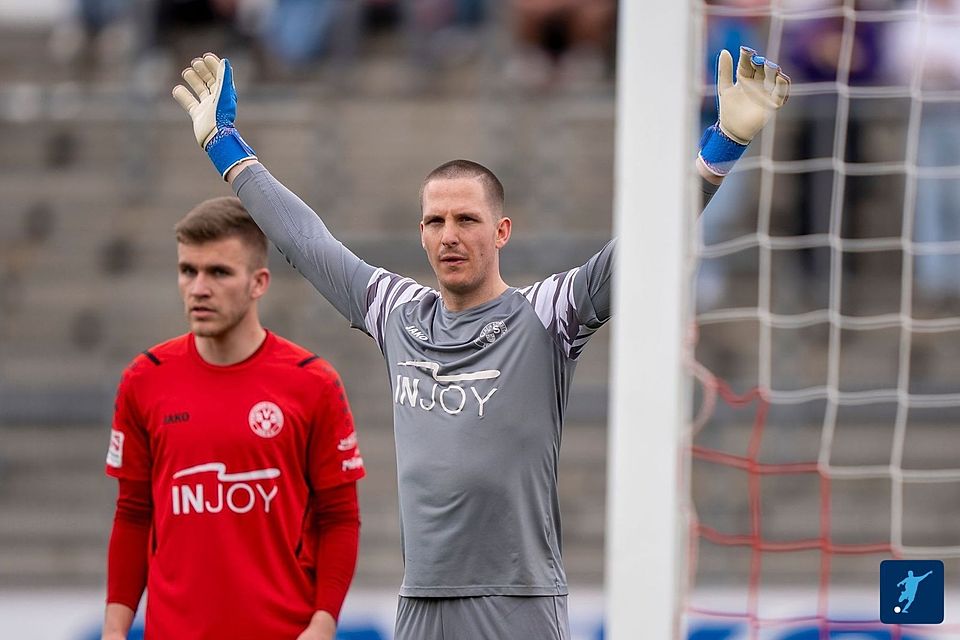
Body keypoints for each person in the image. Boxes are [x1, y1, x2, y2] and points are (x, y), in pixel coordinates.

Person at [171, 48, 789, 638]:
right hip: (421, 602)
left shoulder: (549, 313)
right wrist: (227, 146)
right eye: (436, 221)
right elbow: (307, 244)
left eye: (467, 219)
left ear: (502, 230)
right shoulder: (396, 313)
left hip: (518, 603)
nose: (450, 235)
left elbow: (645, 245)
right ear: (420, 233)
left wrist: (722, 147)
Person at [101, 196, 365, 640]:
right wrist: (114, 630)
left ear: (258, 282)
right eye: (188, 271)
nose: (198, 287)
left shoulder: (312, 383)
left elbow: (340, 518)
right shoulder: (144, 379)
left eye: (218, 272)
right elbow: (132, 513)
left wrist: (322, 624)